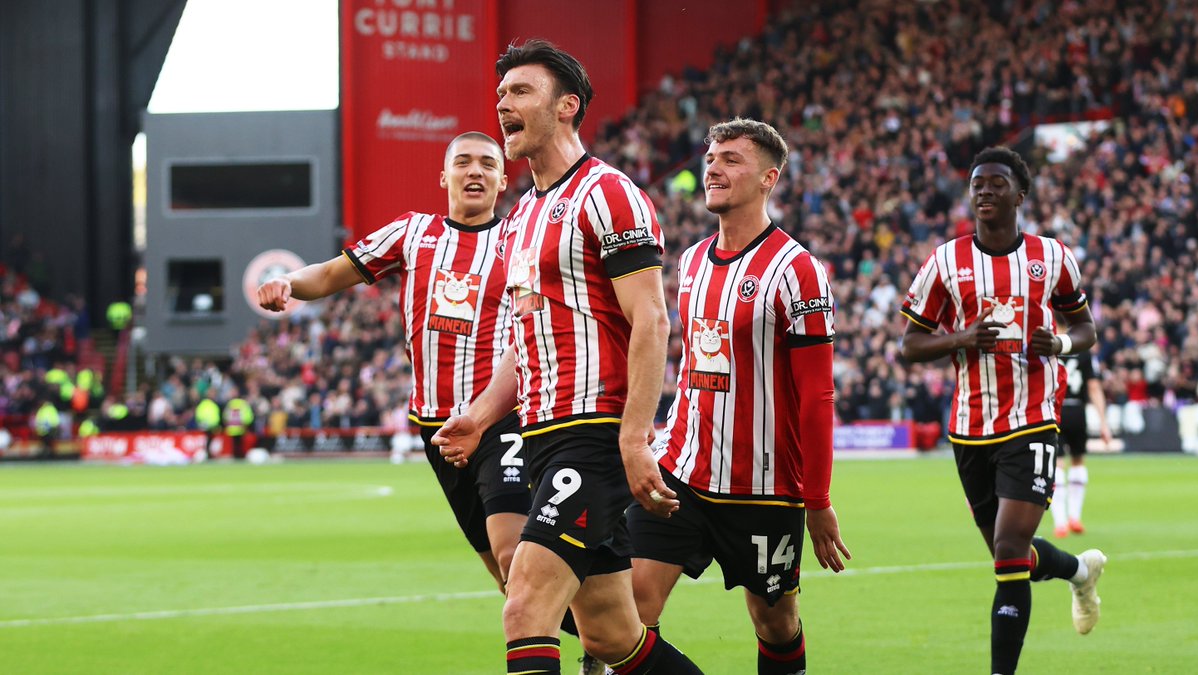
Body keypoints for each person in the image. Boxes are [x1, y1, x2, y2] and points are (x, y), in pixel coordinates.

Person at [434, 39, 702, 674]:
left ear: (567, 107)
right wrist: (478, 415)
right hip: (541, 436)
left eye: (520, 91)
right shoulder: (521, 215)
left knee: (525, 603)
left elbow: (652, 319)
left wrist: (634, 439)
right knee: (611, 635)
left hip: (593, 434)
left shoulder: (609, 194)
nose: (503, 104)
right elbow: (522, 344)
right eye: (501, 94)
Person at [257, 132, 533, 595]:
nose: (475, 171)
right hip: (434, 425)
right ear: (443, 176)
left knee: (514, 553)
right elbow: (327, 275)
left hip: (501, 418)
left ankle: (582, 654)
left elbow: (530, 325)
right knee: (505, 575)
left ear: (503, 179)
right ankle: (599, 634)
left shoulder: (518, 243)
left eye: (487, 163)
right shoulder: (412, 233)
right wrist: (287, 280)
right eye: (463, 162)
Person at [626, 118, 851, 675]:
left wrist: (817, 500)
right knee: (628, 610)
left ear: (769, 178)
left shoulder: (798, 271)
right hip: (678, 470)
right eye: (711, 156)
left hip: (763, 487)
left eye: (731, 159)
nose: (714, 167)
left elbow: (817, 396)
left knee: (773, 620)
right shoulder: (692, 262)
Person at [899, 147, 1108, 675]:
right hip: (970, 426)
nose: (985, 191)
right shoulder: (945, 261)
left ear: (1020, 195)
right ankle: (1080, 572)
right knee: (1008, 554)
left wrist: (1057, 345)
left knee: (1011, 546)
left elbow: (1086, 330)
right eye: (977, 184)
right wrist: (962, 337)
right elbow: (909, 344)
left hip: (1033, 415)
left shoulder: (1053, 257)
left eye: (996, 183)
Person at [1050, 349, 1112, 538]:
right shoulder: (1083, 352)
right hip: (1078, 411)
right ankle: (1074, 517)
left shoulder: (1050, 347)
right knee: (1078, 461)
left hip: (1054, 409)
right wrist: (1103, 422)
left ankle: (1060, 523)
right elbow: (1094, 387)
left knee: (1058, 465)